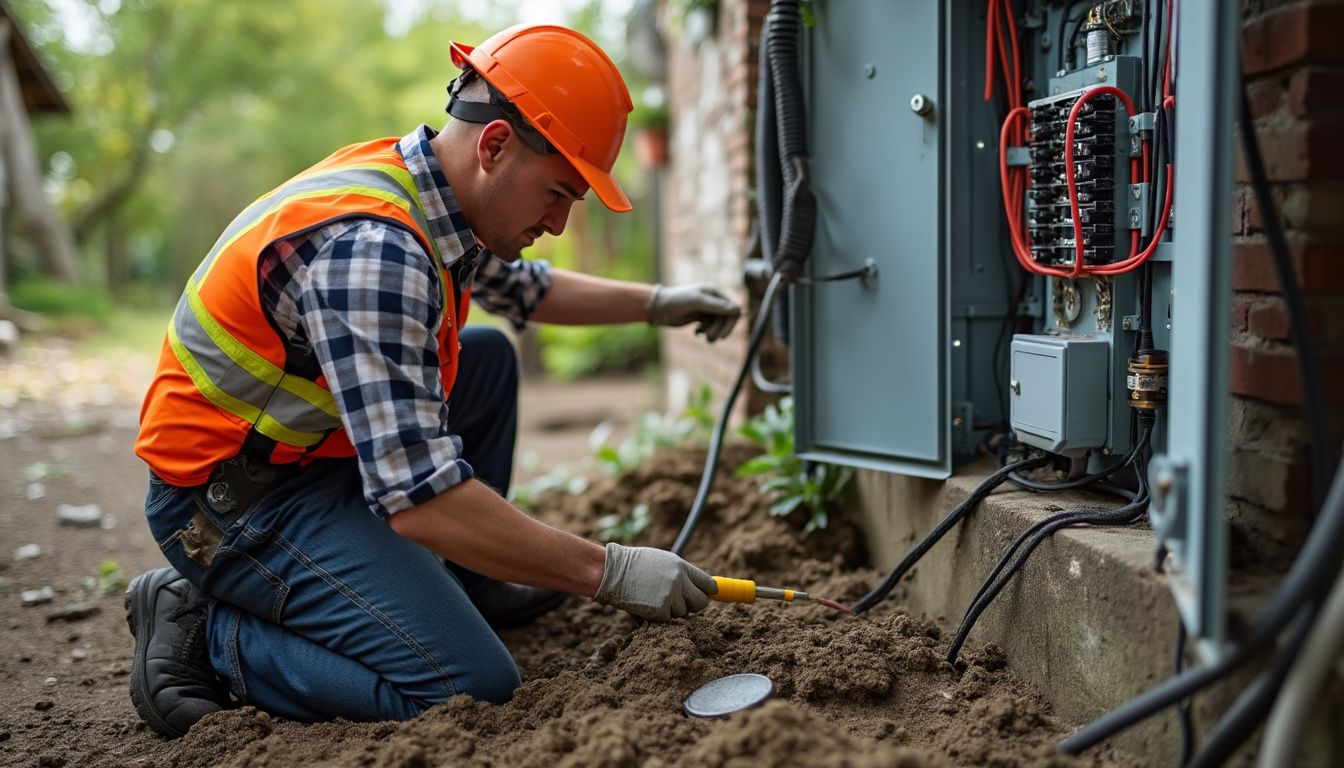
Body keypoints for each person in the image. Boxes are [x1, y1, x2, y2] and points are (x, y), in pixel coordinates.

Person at [124, 23, 741, 738]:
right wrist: (610, 571)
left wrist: (660, 304)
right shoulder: (376, 252)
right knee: (467, 687)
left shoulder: (431, 190)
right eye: (558, 194)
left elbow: (529, 292)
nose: (559, 221)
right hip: (231, 507)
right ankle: (210, 630)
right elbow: (419, 498)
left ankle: (462, 581)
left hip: (314, 461)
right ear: (496, 144)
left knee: (483, 359)